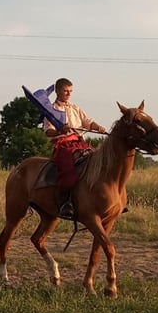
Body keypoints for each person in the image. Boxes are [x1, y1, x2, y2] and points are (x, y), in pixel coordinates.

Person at [43, 78, 106, 219]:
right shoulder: (51, 110)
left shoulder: (75, 108)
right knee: (68, 168)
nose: (68, 94)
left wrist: (98, 127)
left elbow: (87, 122)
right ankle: (66, 202)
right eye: (65, 91)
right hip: (63, 145)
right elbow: (48, 131)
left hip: (80, 142)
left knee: (97, 161)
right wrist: (60, 131)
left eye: (70, 91)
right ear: (58, 90)